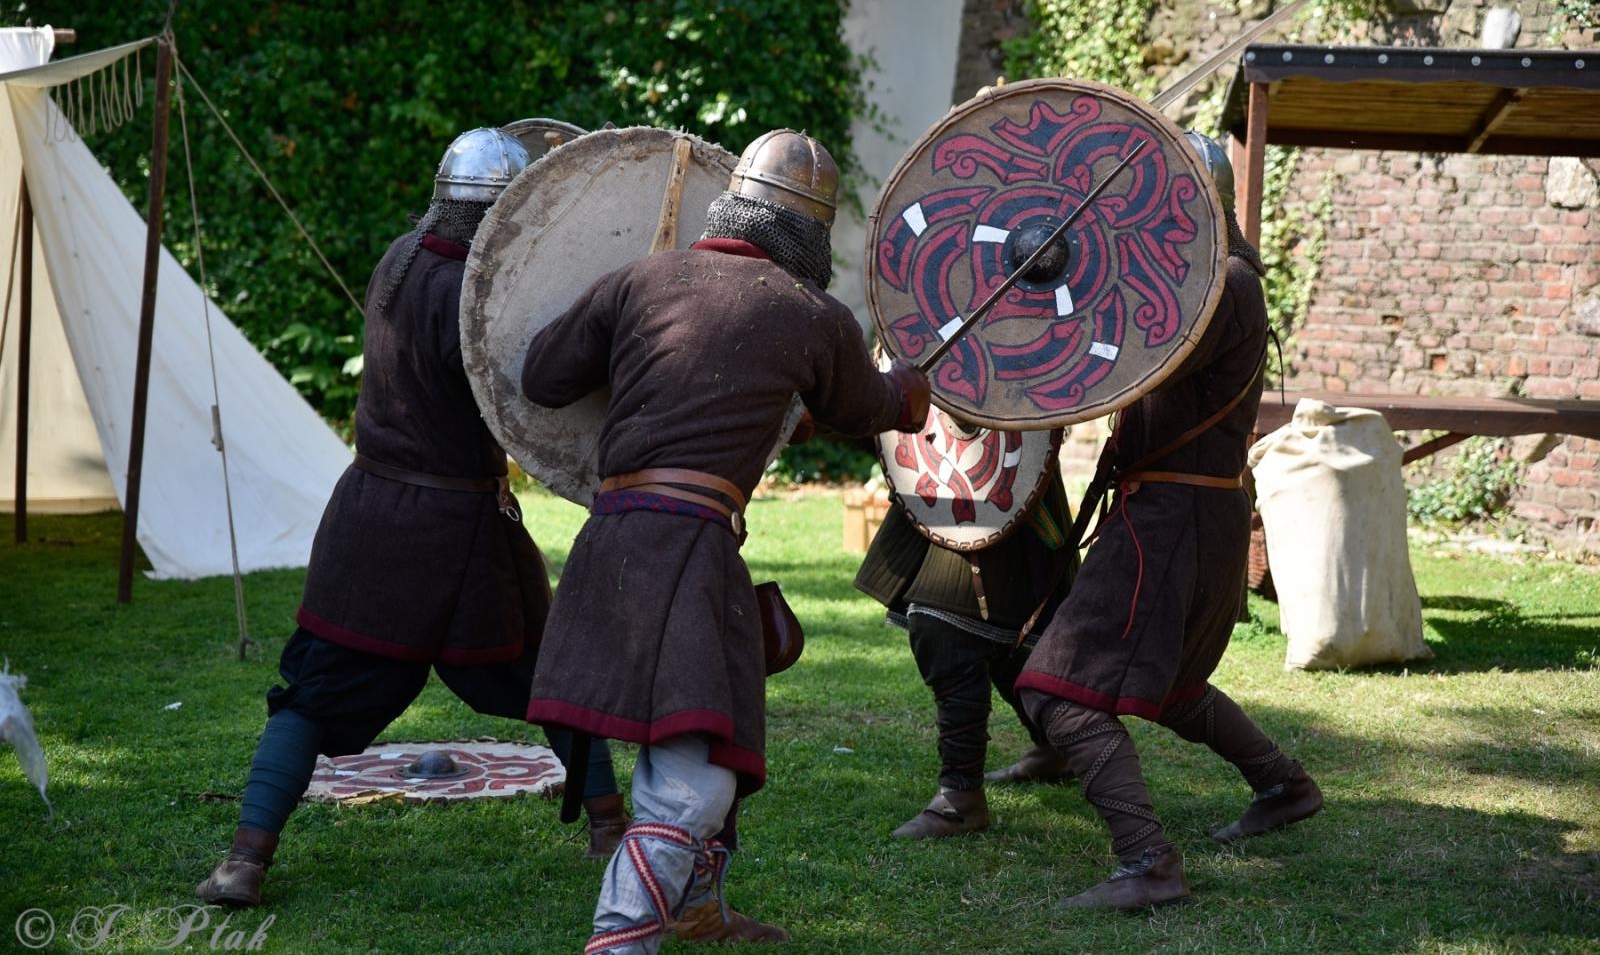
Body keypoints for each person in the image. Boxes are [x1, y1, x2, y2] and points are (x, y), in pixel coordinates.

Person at [519, 129, 931, 952]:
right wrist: (907, 394)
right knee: (697, 774)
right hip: (688, 553)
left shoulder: (639, 278)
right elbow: (866, 409)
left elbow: (541, 376)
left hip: (611, 539)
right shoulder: (808, 311)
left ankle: (701, 909)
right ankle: (621, 938)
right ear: (809, 231)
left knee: (714, 723)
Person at [196, 128, 627, 908]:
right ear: (503, 212)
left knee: (314, 689)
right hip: (460, 531)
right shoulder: (478, 299)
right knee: (547, 670)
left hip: (368, 519)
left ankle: (245, 859)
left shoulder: (398, 257)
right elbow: (540, 389)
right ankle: (609, 826)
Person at [1013, 131, 1323, 910]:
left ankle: (1148, 861)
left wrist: (1056, 275)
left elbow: (1121, 355)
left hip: (1176, 515)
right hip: (1185, 507)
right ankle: (1284, 783)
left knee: (1062, 691)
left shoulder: (1220, 284)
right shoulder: (1205, 279)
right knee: (1177, 681)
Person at [854, 466, 1077, 837]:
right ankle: (1055, 748)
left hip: (1012, 477)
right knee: (976, 628)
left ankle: (961, 798)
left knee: (956, 626)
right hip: (944, 474)